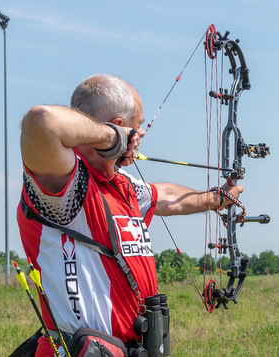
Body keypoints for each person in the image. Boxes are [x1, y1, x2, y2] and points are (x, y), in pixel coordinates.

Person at [17, 73, 243, 356]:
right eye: (139, 126)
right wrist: (112, 137)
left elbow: (169, 199)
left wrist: (216, 199)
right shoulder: (66, 187)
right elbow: (41, 121)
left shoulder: (125, 185)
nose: (142, 135)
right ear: (121, 128)